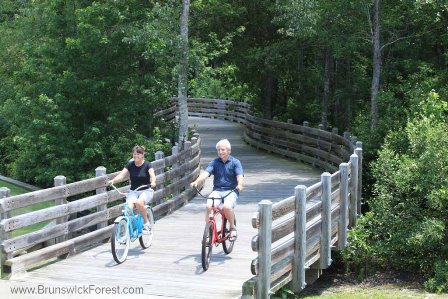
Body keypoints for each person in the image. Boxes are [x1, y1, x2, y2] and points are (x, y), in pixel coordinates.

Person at [191, 139, 243, 241]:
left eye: (223, 150)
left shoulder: (235, 162)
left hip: (231, 190)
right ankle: (208, 228)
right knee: (209, 206)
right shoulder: (214, 162)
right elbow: (206, 173)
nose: (220, 152)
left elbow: (239, 175)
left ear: (229, 151)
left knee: (227, 207)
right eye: (218, 150)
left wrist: (240, 184)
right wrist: (196, 182)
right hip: (218, 190)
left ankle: (232, 227)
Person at [109, 145, 156, 232]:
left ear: (142, 155)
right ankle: (128, 228)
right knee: (128, 208)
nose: (136, 156)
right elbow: (121, 176)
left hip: (146, 190)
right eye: (134, 154)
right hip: (133, 191)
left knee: (139, 202)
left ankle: (146, 223)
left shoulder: (147, 165)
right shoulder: (130, 164)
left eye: (138, 154)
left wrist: (153, 182)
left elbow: (152, 175)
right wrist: (113, 181)